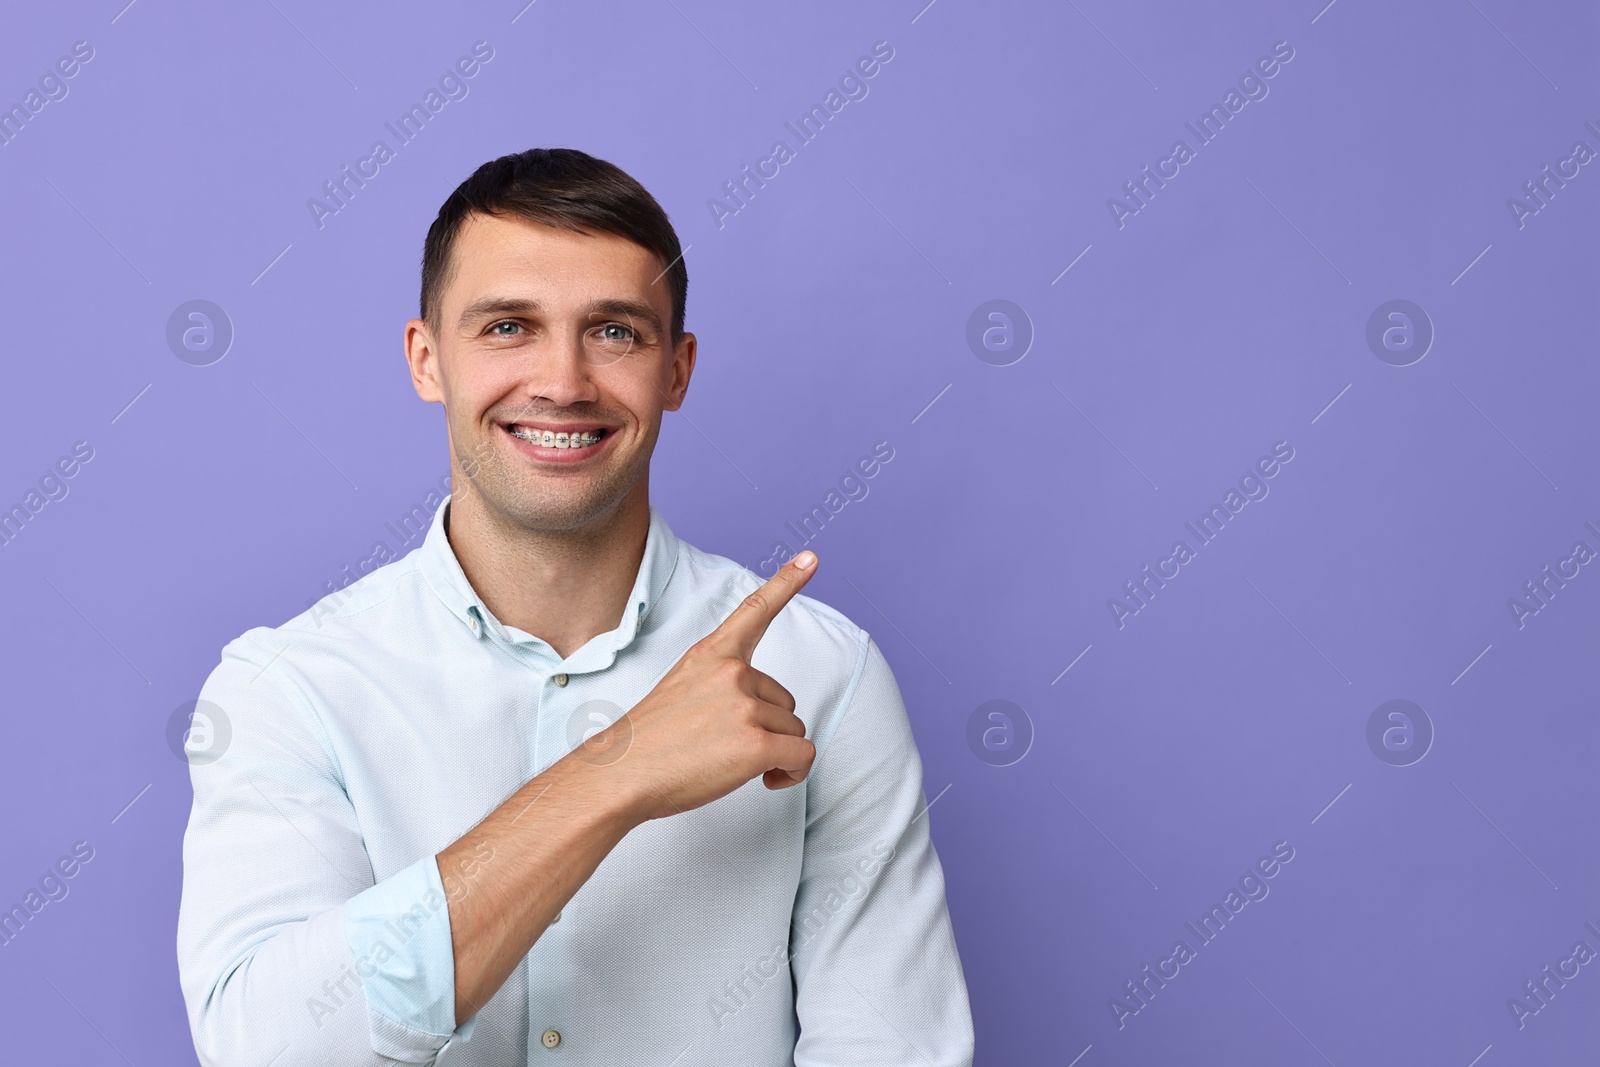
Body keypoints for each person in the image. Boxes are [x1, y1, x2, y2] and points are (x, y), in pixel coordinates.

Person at [175, 147, 973, 1066]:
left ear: (677, 371)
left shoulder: (822, 673)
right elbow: (268, 1051)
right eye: (509, 326)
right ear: (427, 360)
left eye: (615, 332)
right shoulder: (289, 689)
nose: (562, 380)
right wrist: (618, 771)